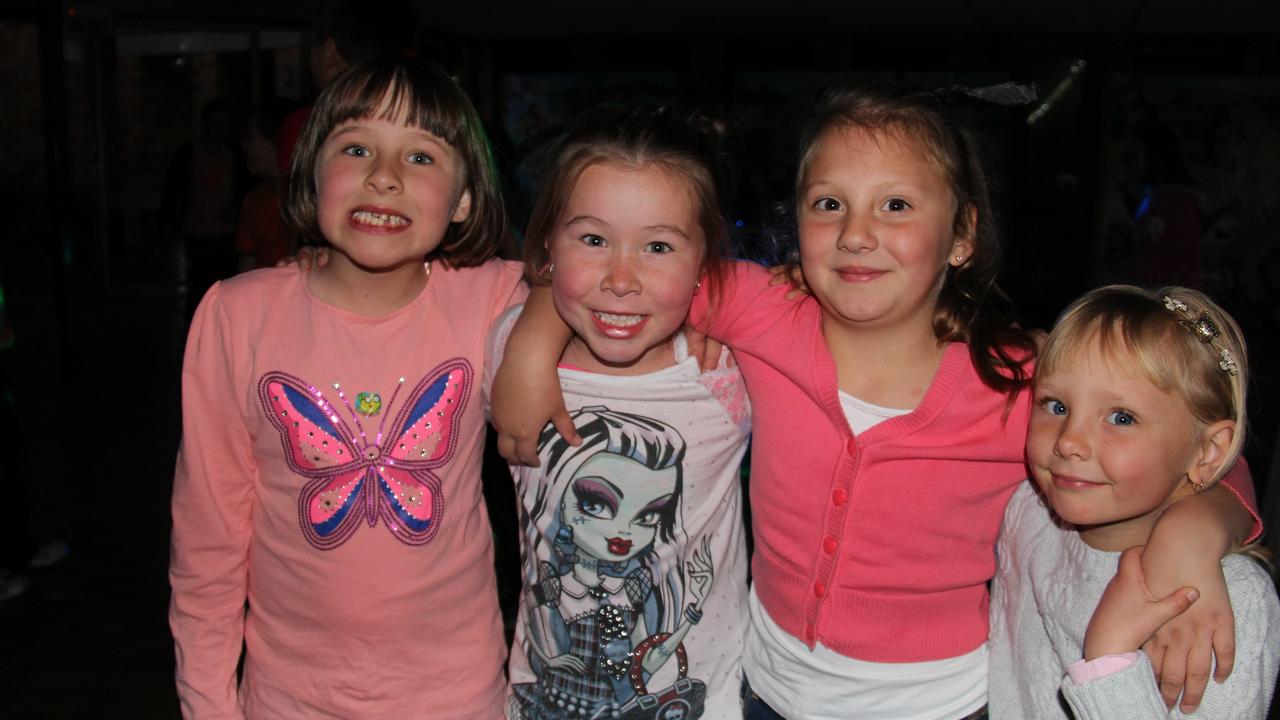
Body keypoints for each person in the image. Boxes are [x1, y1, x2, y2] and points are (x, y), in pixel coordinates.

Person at [491, 84, 1259, 719]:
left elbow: (1195, 454)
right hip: (765, 691)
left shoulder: (1020, 380)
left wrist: (1198, 529)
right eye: (829, 205)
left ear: (961, 236)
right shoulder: (762, 311)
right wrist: (534, 336)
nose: (857, 234)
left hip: (943, 705)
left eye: (896, 206)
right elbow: (623, 278)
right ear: (797, 223)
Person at [169, 57, 523, 719]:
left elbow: (605, 284)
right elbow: (207, 538)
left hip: (454, 693)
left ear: (465, 199)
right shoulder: (236, 315)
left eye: (421, 158)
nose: (383, 177)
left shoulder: (494, 297)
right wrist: (207, 703)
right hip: (289, 697)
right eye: (356, 148)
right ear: (310, 172)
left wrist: (709, 319)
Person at [482, 106, 751, 719]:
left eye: (658, 246)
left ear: (706, 263)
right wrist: (532, 335)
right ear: (549, 242)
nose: (622, 278)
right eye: (594, 240)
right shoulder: (505, 348)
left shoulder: (729, 369)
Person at [989, 285, 1279, 718]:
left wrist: (1109, 660)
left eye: (1121, 418)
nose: (1069, 442)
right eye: (1056, 405)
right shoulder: (1029, 515)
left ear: (1209, 451)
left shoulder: (1229, 600)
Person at [235, 99, 297, 271]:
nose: (245, 146)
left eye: (251, 137)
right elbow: (246, 265)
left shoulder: (311, 198)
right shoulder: (254, 199)